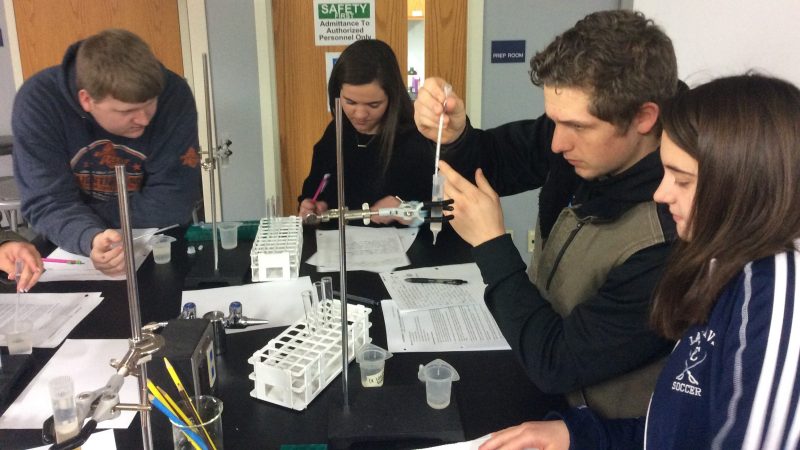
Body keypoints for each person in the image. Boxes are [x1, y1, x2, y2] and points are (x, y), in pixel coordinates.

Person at [478, 73, 800, 449]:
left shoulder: (776, 291)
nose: (662, 194)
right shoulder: (718, 269)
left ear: (746, 185)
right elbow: (676, 431)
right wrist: (579, 435)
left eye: (681, 180)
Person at [415, 10, 679, 418]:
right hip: (535, 370)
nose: (556, 143)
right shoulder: (585, 146)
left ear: (644, 117)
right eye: (553, 121)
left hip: (596, 422)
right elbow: (498, 161)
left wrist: (491, 245)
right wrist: (456, 134)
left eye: (577, 126)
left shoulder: (671, 229)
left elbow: (560, 363)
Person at [12, 29, 201, 276]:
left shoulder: (173, 94)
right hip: (73, 245)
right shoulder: (39, 103)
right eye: (126, 111)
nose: (143, 120)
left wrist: (84, 216)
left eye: (150, 104)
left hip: (160, 240)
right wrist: (89, 237)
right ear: (86, 100)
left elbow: (174, 199)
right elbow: (46, 201)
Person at [298, 39, 434, 225]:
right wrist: (311, 208)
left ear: (392, 98)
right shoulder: (335, 134)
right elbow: (312, 192)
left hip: (405, 249)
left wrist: (406, 210)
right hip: (339, 247)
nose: (360, 115)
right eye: (350, 102)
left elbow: (443, 211)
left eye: (373, 105)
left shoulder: (416, 138)